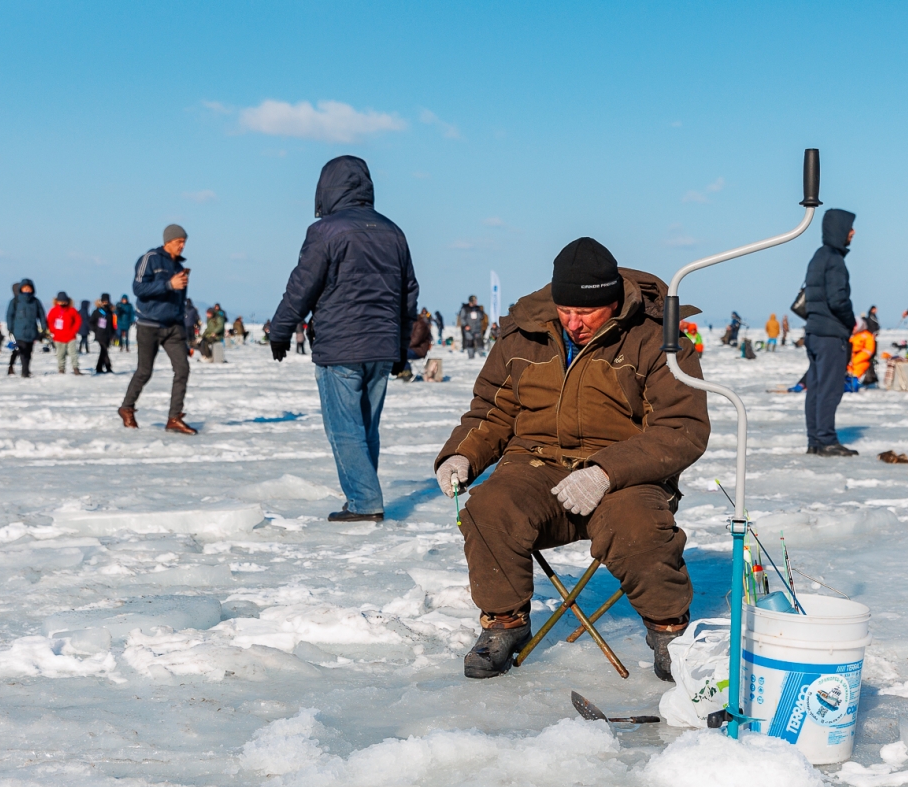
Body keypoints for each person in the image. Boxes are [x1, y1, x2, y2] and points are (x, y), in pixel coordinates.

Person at [434, 237, 708, 680]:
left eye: (587, 313)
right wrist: (462, 454)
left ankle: (668, 630)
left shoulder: (656, 337)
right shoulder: (522, 332)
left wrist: (606, 471)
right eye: (566, 311)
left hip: (625, 476)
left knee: (638, 528)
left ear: (614, 301)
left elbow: (682, 429)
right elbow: (492, 409)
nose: (574, 323)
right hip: (536, 466)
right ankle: (505, 622)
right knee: (487, 509)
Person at [269, 155, 419, 523]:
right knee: (366, 428)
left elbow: (302, 287)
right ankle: (362, 497)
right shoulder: (393, 232)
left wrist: (280, 330)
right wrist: (400, 349)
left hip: (341, 346)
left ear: (326, 188)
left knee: (345, 428)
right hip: (381, 347)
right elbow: (408, 295)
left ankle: (364, 502)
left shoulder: (326, 231)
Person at [119, 224, 196, 434]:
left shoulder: (180, 267)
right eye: (179, 242)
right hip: (149, 325)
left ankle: (174, 417)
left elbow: (179, 299)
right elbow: (138, 288)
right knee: (144, 371)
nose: (182, 246)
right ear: (168, 241)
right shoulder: (150, 259)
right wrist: (168, 285)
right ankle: (127, 408)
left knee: (182, 369)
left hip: (174, 327)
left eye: (184, 242)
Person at [802, 208, 858, 456]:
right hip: (830, 334)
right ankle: (826, 439)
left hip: (814, 332)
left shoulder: (818, 256)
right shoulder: (834, 259)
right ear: (840, 231)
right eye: (849, 229)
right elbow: (838, 300)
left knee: (815, 387)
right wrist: (851, 321)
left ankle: (815, 440)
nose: (853, 233)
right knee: (829, 388)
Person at [6, 280, 47, 378]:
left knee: (28, 351)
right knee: (22, 350)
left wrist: (44, 327)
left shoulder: (36, 302)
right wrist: (10, 328)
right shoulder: (15, 301)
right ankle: (24, 372)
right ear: (21, 289)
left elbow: (41, 315)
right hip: (18, 331)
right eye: (25, 288)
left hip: (32, 331)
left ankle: (25, 369)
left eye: (29, 288)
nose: (27, 290)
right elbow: (10, 315)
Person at [48, 292, 83, 374]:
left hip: (71, 336)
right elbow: (49, 321)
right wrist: (53, 330)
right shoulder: (53, 311)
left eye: (64, 301)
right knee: (60, 354)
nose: (62, 303)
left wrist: (74, 330)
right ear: (57, 301)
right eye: (60, 301)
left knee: (73, 353)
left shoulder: (72, 310)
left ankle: (76, 368)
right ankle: (61, 369)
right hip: (58, 337)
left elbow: (78, 320)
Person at [92, 294, 115, 374]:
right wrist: (95, 330)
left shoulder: (110, 313)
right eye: (104, 301)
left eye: (107, 301)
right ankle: (108, 367)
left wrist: (113, 334)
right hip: (100, 335)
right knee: (104, 350)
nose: (105, 303)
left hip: (108, 335)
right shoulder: (96, 312)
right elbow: (91, 322)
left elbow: (113, 324)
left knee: (103, 351)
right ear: (101, 302)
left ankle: (99, 367)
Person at [849, 319, 876, 386]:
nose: (854, 328)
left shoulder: (867, 336)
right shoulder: (852, 335)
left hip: (862, 361)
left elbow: (869, 351)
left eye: (855, 326)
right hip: (850, 359)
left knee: (857, 370)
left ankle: (853, 383)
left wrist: (854, 360)